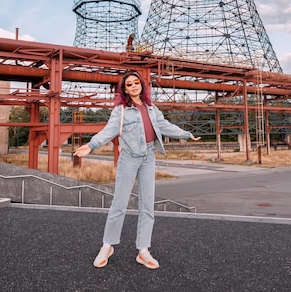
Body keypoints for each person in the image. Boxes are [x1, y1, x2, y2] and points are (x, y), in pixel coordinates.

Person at [73, 71, 200, 269]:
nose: (134, 86)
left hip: (149, 157)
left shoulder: (151, 108)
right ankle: (107, 245)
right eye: (129, 84)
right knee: (119, 204)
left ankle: (143, 250)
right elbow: (109, 131)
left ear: (141, 85)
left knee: (148, 205)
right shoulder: (121, 111)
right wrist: (92, 145)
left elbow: (163, 125)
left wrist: (185, 134)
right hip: (129, 158)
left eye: (136, 82)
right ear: (124, 89)